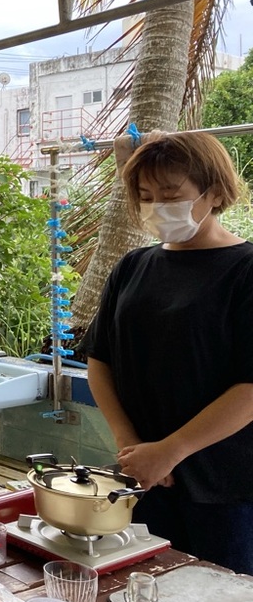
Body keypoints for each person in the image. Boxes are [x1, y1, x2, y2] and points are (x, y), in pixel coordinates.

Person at [82, 130, 253, 575]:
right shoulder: (132, 267)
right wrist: (132, 446)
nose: (157, 207)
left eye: (172, 195)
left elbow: (250, 388)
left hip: (223, 487)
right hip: (144, 478)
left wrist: (171, 451)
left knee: (222, 597)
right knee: (140, 590)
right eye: (146, 196)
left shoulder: (244, 271)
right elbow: (100, 360)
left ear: (215, 193)